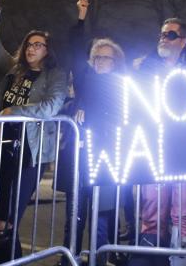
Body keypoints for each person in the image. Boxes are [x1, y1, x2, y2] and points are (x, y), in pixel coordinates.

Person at [0, 0, 68, 263]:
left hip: (30, 153)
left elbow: (51, 107)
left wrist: (11, 111)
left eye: (38, 45)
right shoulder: (14, 68)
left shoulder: (56, 75)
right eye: (29, 44)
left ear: (48, 50)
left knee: (5, 220)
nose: (32, 49)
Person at [131, 18, 186, 261]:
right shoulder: (145, 67)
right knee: (152, 204)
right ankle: (150, 257)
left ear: (183, 41)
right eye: (162, 34)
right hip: (153, 147)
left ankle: (183, 258)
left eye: (170, 35)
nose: (163, 38)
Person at [70, 38, 126, 257]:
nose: (100, 61)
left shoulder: (121, 85)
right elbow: (74, 52)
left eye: (105, 57)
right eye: (97, 57)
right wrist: (80, 20)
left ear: (115, 62)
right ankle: (71, 258)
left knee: (102, 215)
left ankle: (101, 258)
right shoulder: (85, 82)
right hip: (83, 156)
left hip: (109, 157)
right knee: (76, 213)